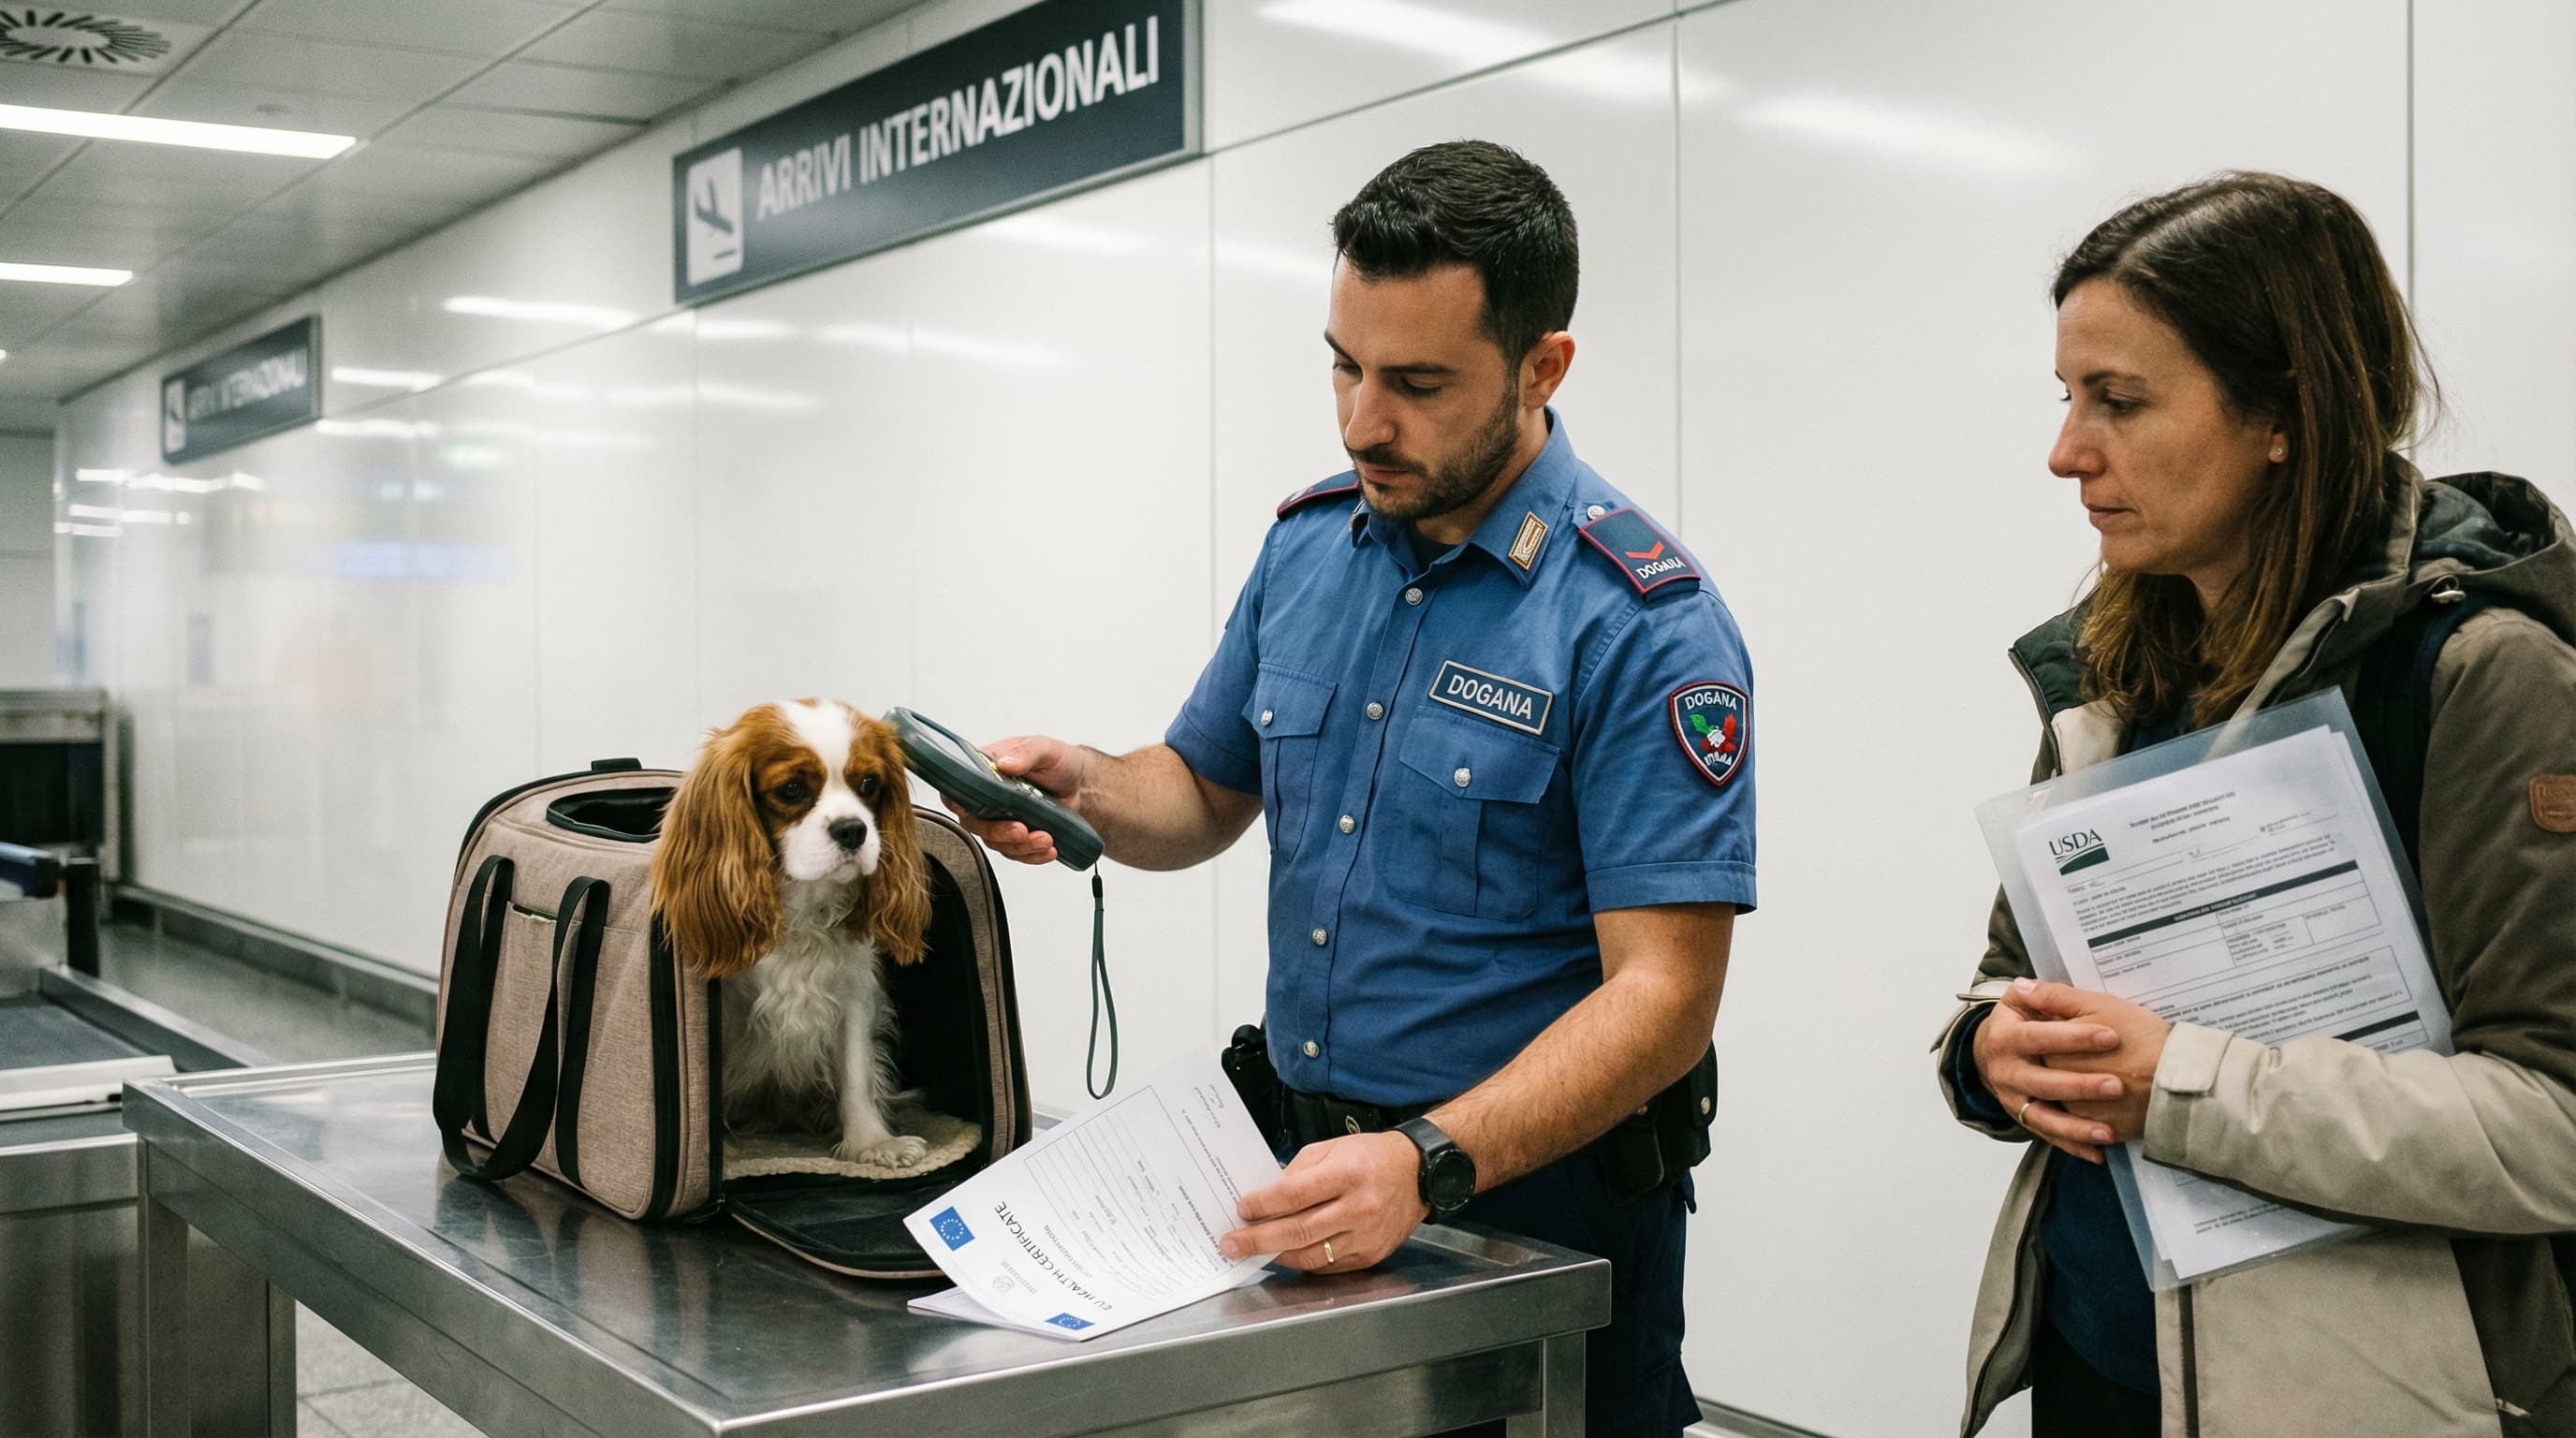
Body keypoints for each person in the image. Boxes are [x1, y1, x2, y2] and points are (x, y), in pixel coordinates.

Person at [945, 139, 1753, 1436]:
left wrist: (1429, 1163)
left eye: (1418, 384)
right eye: (1344, 364)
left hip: (1531, 1224)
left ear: (1544, 366)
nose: (1363, 420)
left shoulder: (1641, 623)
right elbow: (1204, 790)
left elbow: (1665, 995)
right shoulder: (1314, 545)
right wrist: (1088, 785)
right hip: (1313, 1195)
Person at [1936, 170, 2576, 1438]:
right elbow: (2011, 978)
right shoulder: (2111, 662)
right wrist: (1987, 1051)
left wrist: (2173, 1080)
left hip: (2359, 1398)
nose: (2067, 452)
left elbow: (2552, 1125)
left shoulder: (2484, 673)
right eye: (2068, 397)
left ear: (2284, 410)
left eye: (2118, 403)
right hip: (2097, 1360)